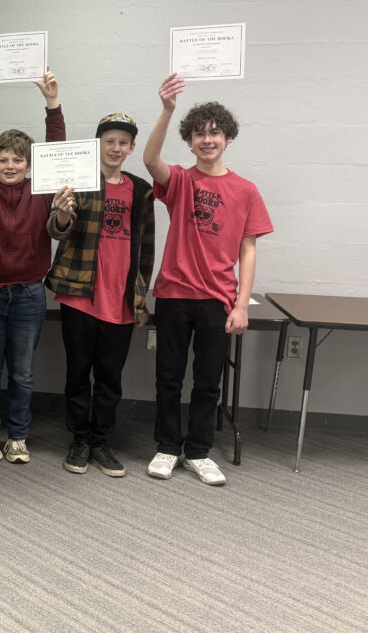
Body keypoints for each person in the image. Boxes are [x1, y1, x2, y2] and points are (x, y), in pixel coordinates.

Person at [142, 74, 272, 486]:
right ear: (190, 141)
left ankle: (198, 451)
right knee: (168, 377)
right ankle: (167, 447)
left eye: (215, 133)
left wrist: (241, 304)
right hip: (173, 294)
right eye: (199, 133)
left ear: (228, 138)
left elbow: (248, 250)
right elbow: (150, 160)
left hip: (218, 299)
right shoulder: (180, 180)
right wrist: (167, 110)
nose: (207, 139)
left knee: (208, 381)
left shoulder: (246, 190)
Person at [0, 71, 72, 464]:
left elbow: (56, 147)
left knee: (23, 373)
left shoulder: (42, 189)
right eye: (3, 159)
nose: (9, 165)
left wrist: (52, 104)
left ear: (30, 164)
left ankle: (19, 437)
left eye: (18, 159)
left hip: (28, 293)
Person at [45, 113, 155, 477]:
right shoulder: (78, 182)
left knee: (110, 377)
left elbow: (147, 248)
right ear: (98, 145)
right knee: (78, 372)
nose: (116, 148)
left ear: (132, 148)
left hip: (120, 299)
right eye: (110, 141)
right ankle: (79, 439)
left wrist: (140, 294)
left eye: (123, 142)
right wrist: (62, 214)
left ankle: (101, 441)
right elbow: (56, 230)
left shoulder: (141, 190)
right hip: (80, 295)